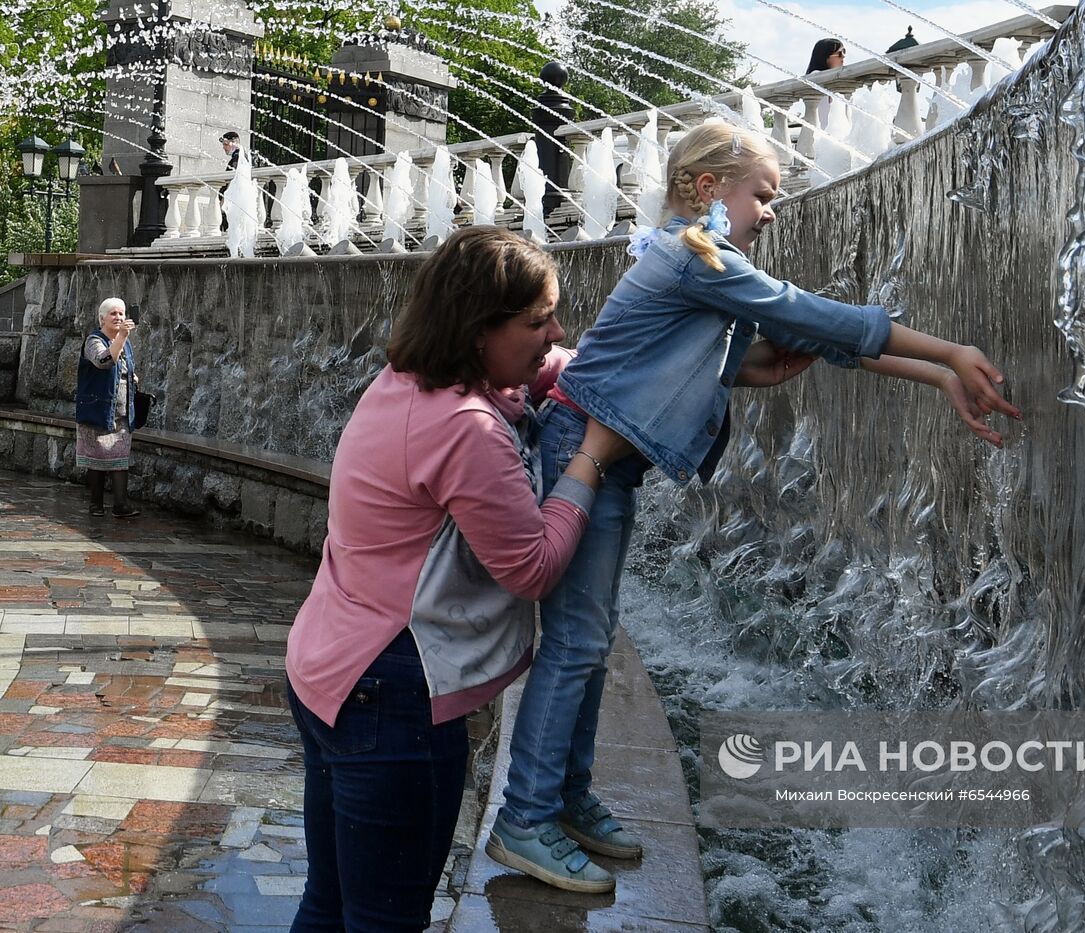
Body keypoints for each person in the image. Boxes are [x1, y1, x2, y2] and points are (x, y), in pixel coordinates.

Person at [489, 122, 1022, 891]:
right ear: (707, 189)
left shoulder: (693, 260)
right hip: (586, 446)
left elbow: (798, 340)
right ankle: (523, 817)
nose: (771, 211)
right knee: (575, 641)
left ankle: (563, 798)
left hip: (605, 451)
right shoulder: (690, 257)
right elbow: (806, 311)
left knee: (591, 637)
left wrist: (935, 380)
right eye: (763, 196)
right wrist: (947, 352)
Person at [284, 226, 633, 929]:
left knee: (328, 903)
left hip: (328, 672)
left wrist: (566, 363)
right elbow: (532, 566)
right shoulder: (466, 428)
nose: (555, 333)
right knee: (386, 920)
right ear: (479, 330)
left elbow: (534, 370)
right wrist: (592, 457)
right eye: (538, 322)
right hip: (393, 702)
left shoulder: (406, 379)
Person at [75, 297, 141, 518]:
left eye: (121, 313)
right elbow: (103, 362)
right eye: (113, 313)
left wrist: (131, 377)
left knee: (119, 460)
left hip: (121, 414)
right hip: (98, 411)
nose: (119, 317)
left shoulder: (125, 343)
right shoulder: (94, 341)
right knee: (98, 459)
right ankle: (96, 504)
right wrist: (122, 336)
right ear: (102, 318)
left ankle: (121, 505)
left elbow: (121, 368)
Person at [805, 38, 847, 128]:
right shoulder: (815, 77)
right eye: (839, 53)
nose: (843, 56)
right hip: (823, 134)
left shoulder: (840, 81)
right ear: (825, 56)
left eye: (844, 52)